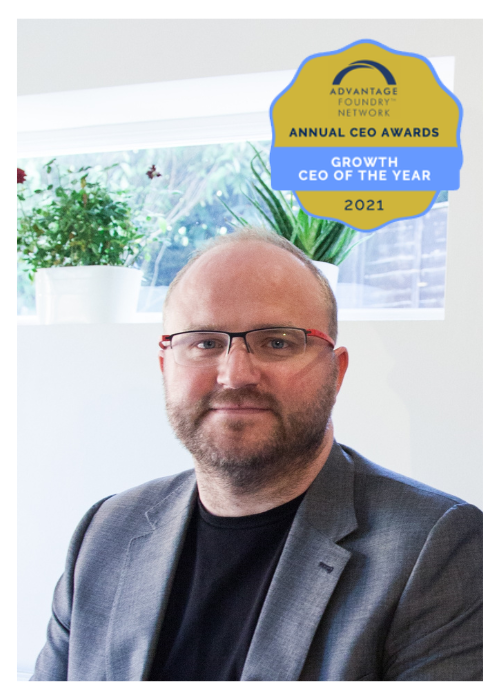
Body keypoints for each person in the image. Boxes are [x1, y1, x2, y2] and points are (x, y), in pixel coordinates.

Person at [31, 227, 482, 681]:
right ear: (166, 366)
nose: (235, 375)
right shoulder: (106, 532)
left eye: (277, 342)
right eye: (205, 342)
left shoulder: (438, 548)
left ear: (336, 372)